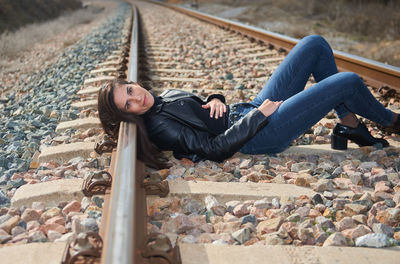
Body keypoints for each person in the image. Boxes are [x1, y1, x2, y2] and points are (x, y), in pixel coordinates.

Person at [98, 35, 400, 169]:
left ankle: (350, 127)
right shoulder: (159, 126)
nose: (136, 97)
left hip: (249, 109)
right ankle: (391, 122)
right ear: (130, 116)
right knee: (348, 82)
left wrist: (216, 98)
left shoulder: (162, 98)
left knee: (315, 44)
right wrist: (260, 117)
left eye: (129, 90)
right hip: (259, 134)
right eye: (128, 105)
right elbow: (213, 149)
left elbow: (201, 108)